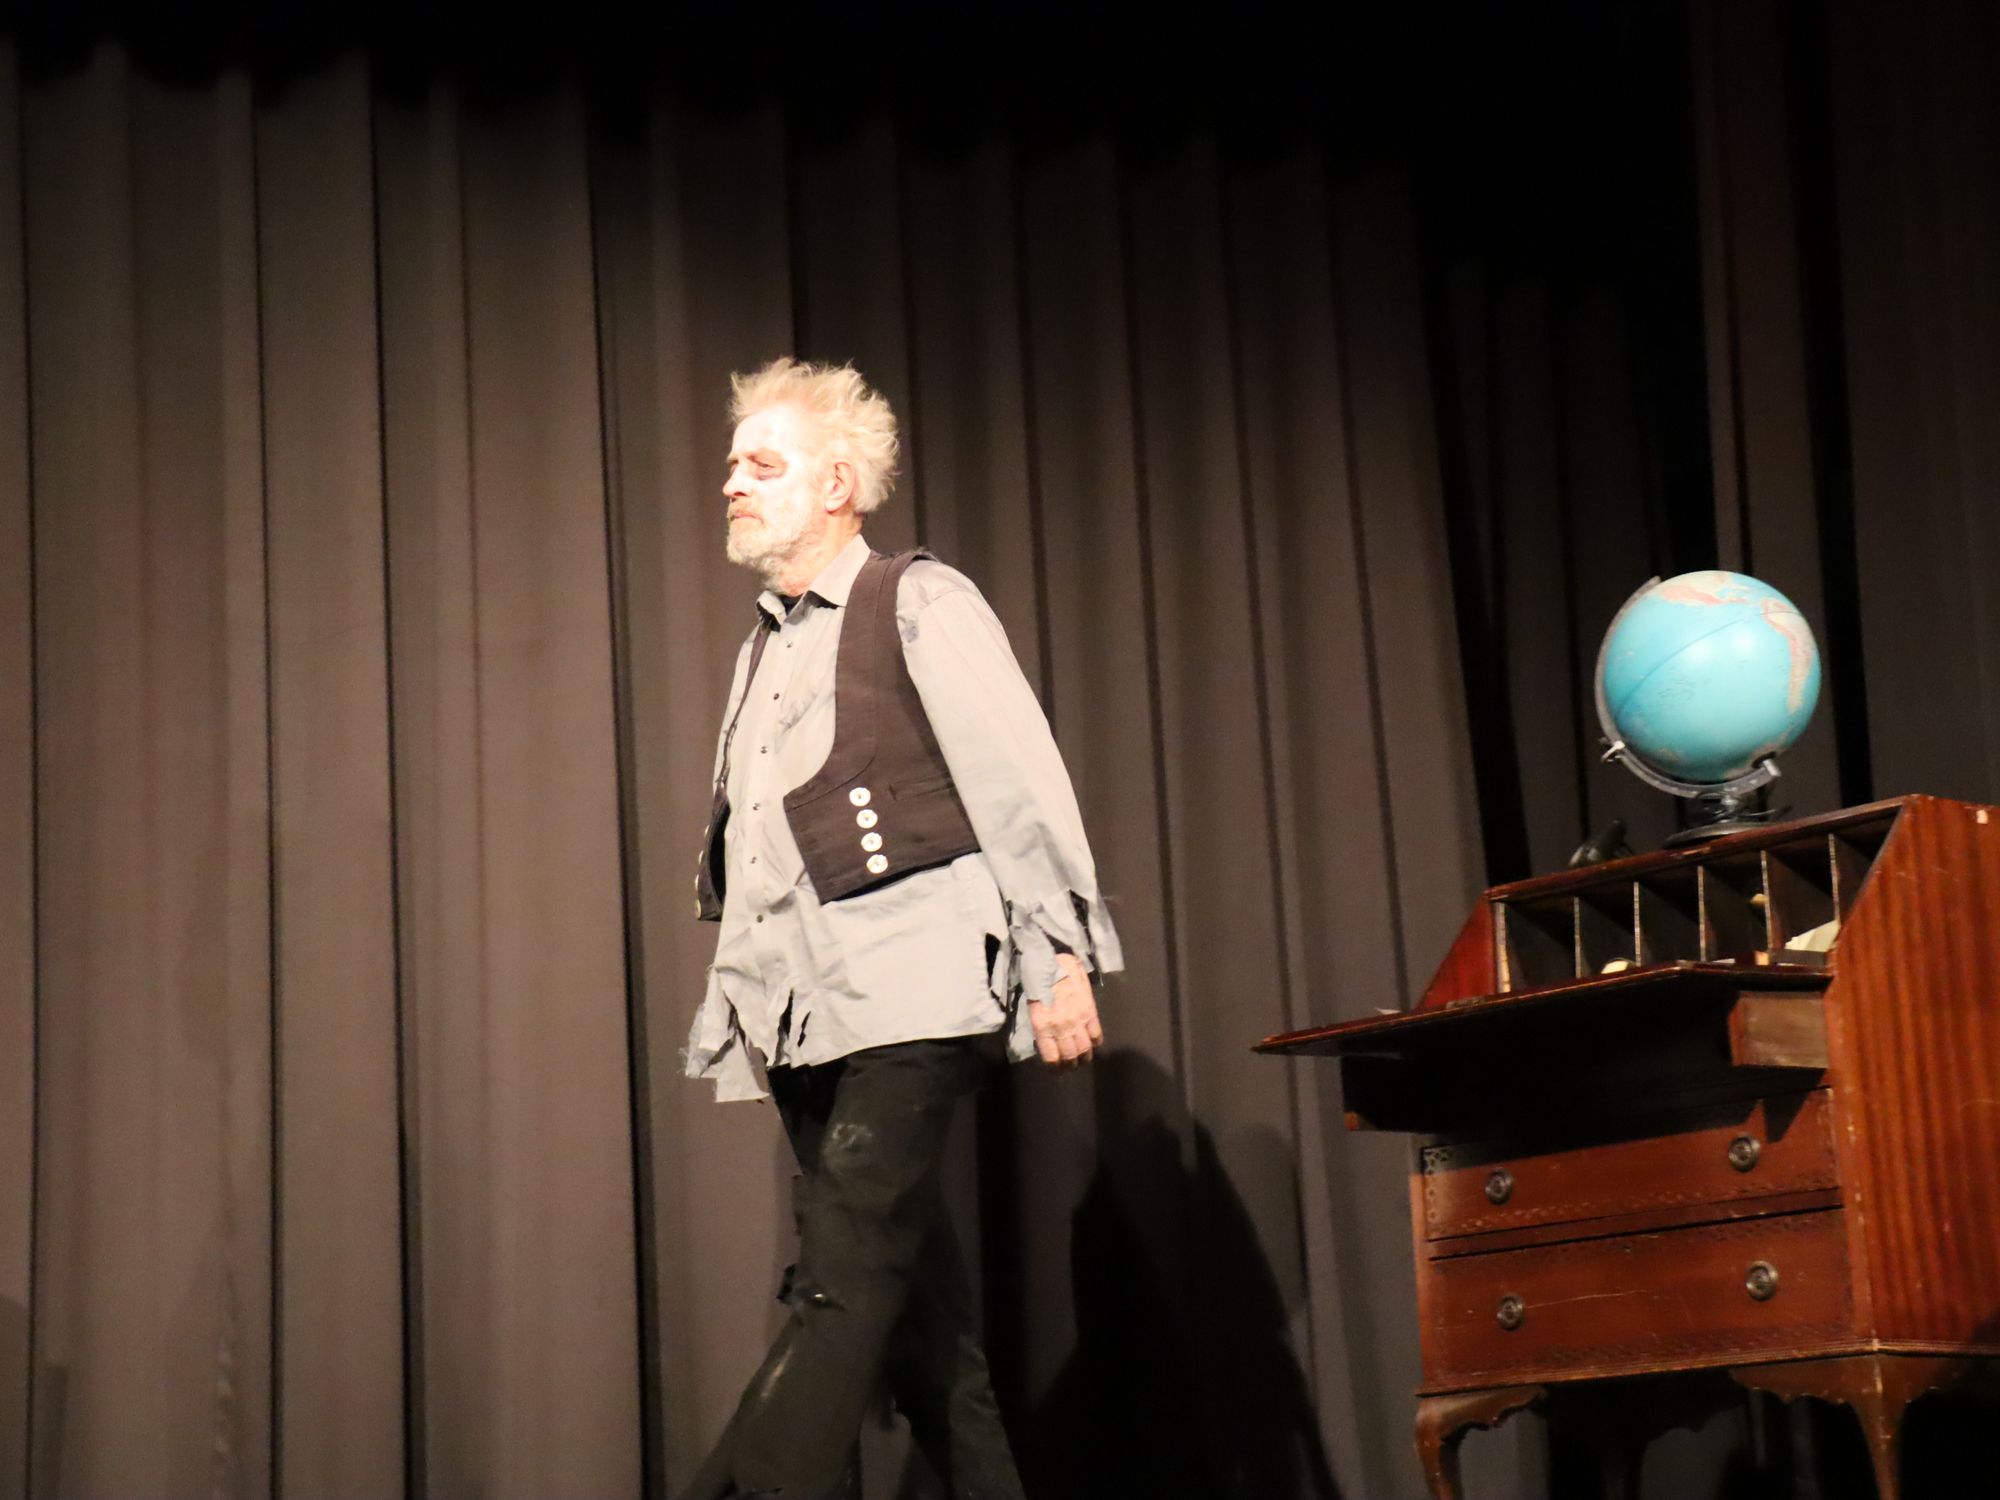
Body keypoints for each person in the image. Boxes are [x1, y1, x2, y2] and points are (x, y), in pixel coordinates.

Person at [679, 358, 1123, 1500]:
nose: (732, 482)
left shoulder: (915, 600)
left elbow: (1017, 785)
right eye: (732, 464)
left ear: (836, 483)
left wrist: (1056, 957)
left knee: (843, 1279)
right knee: (924, 1328)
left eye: (761, 464)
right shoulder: (763, 647)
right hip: (802, 1015)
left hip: (907, 998)